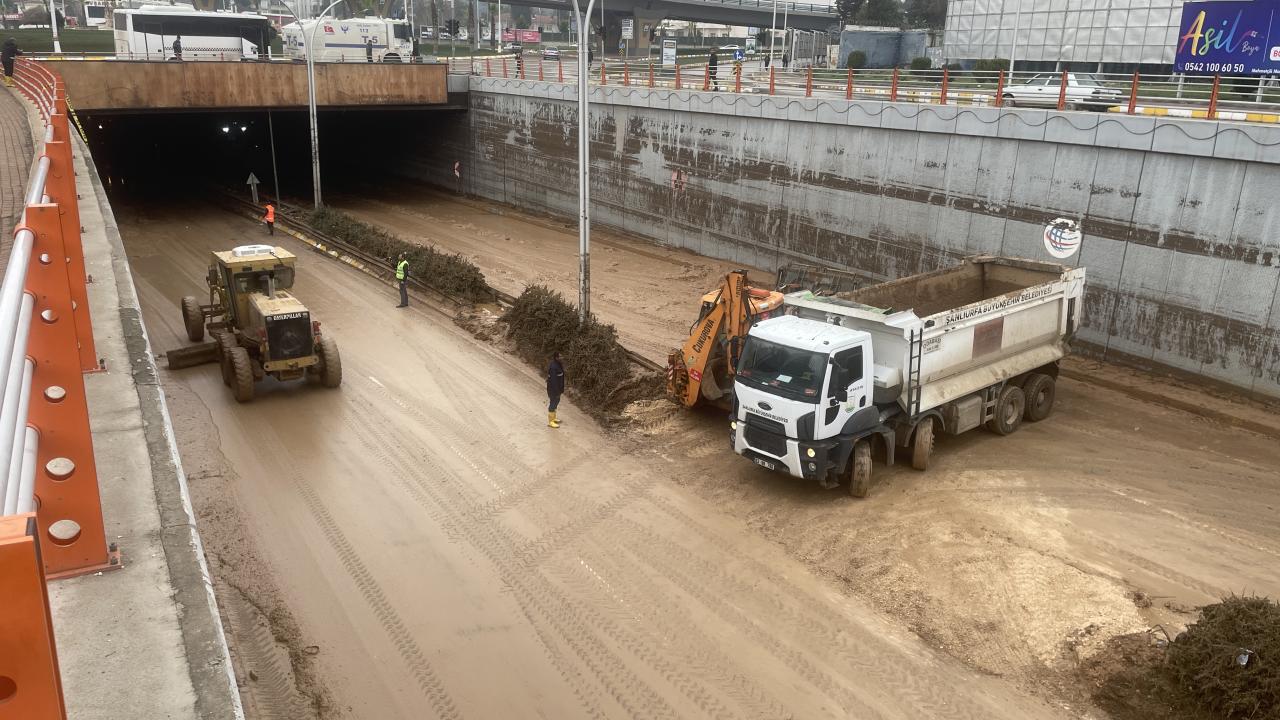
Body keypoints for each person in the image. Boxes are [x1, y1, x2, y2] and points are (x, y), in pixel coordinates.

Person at [546, 352, 565, 428]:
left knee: (556, 402)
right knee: (553, 403)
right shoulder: (554, 367)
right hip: (553, 389)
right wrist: (557, 391)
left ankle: (554, 418)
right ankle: (551, 422)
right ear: (556, 357)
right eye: (560, 356)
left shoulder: (558, 364)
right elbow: (554, 381)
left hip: (557, 389)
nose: (562, 357)